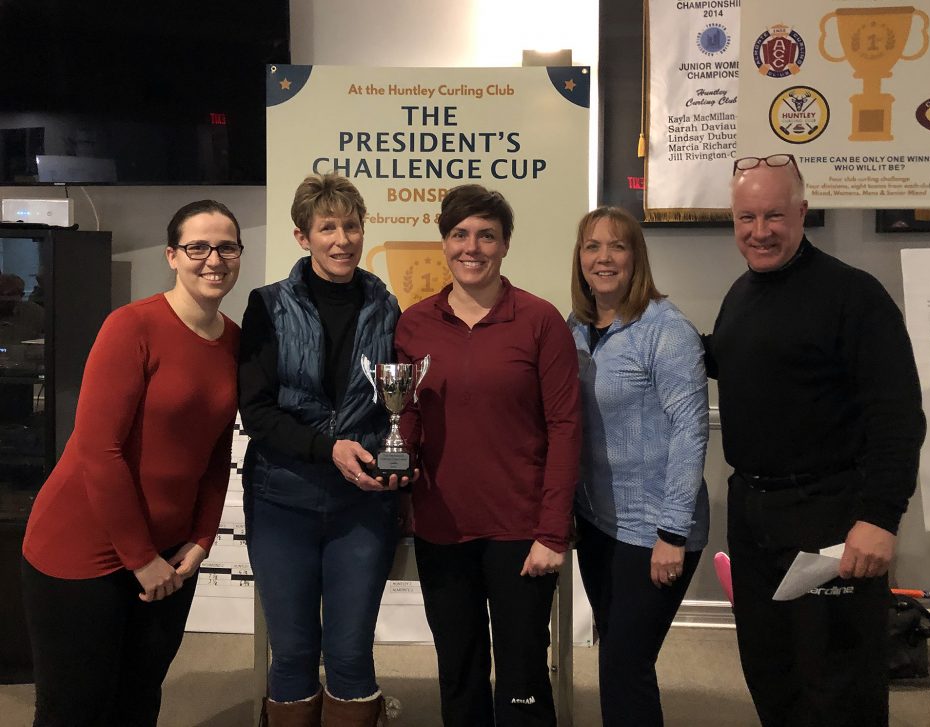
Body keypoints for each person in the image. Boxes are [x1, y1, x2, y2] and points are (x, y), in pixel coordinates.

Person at [705, 154, 926, 727]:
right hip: (755, 517)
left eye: (774, 215)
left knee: (837, 686)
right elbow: (735, 362)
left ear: (803, 212)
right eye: (746, 217)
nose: (759, 231)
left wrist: (880, 517)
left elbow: (897, 415)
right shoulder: (741, 294)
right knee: (771, 672)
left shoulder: (854, 296)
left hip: (829, 518)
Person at [21, 199, 244, 726]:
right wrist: (140, 557)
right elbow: (99, 449)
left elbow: (215, 452)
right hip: (84, 550)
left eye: (227, 247)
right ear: (172, 255)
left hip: (168, 554)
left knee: (138, 701)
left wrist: (202, 538)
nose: (214, 259)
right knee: (74, 710)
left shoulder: (234, 341)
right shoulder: (132, 326)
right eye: (197, 247)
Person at [395, 184, 581, 727]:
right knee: (458, 667)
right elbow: (407, 416)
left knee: (523, 675)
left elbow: (565, 427)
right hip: (441, 527)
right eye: (459, 234)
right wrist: (397, 460)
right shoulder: (414, 323)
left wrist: (551, 531)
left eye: (486, 235)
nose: (471, 247)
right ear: (444, 243)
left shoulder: (540, 321)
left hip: (519, 531)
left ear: (504, 246)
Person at [239, 173, 403, 726]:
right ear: (301, 236)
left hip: (362, 506)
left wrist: (391, 457)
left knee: (352, 653)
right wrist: (327, 446)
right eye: (327, 227)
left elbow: (394, 406)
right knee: (291, 653)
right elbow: (257, 413)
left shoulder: (387, 306)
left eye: (351, 225)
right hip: (282, 500)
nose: (342, 239)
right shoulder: (267, 306)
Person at [566, 206, 710, 727]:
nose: (604, 258)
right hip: (599, 522)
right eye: (592, 247)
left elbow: (692, 430)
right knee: (619, 660)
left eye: (617, 246)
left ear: (636, 257)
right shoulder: (577, 328)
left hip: (655, 531)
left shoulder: (666, 331)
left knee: (625, 664)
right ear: (580, 259)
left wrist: (671, 532)